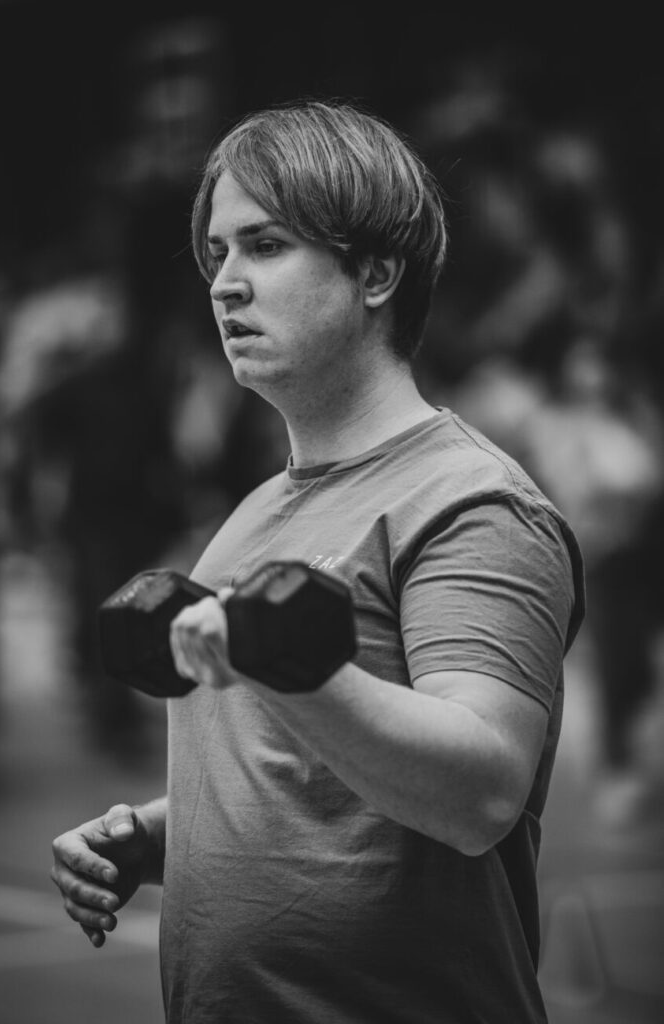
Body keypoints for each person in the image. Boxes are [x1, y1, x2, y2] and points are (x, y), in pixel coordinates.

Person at [51, 99, 585, 1023]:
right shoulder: (255, 513)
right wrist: (160, 837)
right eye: (217, 253)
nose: (224, 285)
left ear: (376, 272)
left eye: (264, 246)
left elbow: (480, 792)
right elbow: (317, 788)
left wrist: (286, 668)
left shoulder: (470, 503)